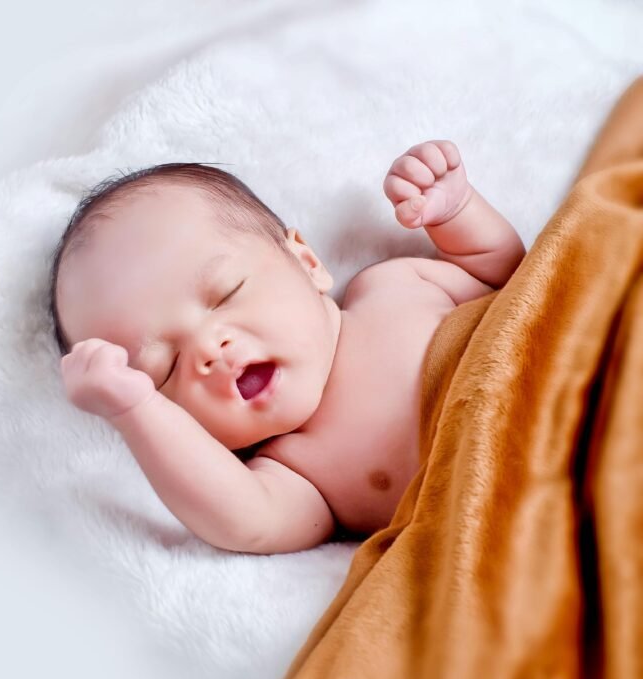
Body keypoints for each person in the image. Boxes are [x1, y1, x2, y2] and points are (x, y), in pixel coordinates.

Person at [48, 141, 526, 554]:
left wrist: (458, 209)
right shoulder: (298, 473)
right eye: (165, 368)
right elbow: (242, 522)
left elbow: (507, 279)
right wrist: (135, 411)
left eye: (226, 293)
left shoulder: (395, 285)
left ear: (306, 260)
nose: (211, 350)